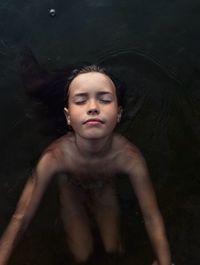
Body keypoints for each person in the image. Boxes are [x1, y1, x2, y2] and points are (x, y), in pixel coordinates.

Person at [0, 64, 171, 265]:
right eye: (81, 101)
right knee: (82, 255)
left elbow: (151, 215)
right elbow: (21, 217)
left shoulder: (129, 158)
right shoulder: (55, 157)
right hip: (71, 186)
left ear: (118, 114)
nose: (93, 107)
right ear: (68, 117)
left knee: (112, 247)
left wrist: (165, 262)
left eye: (105, 100)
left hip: (104, 185)